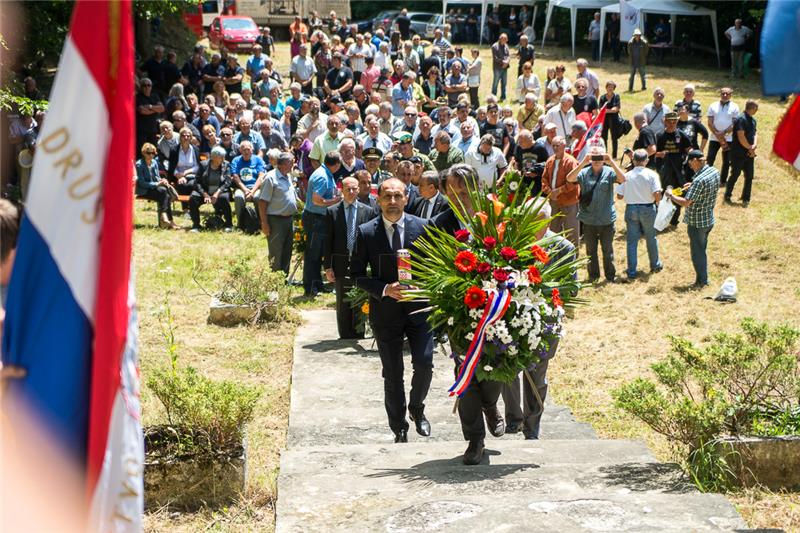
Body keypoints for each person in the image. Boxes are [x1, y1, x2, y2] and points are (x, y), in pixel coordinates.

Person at [430, 165, 506, 464]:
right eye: (453, 192)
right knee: (465, 373)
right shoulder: (439, 224)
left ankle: (491, 405)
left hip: (497, 310)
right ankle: (474, 439)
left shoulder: (496, 217)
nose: (460, 198)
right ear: (446, 192)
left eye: (465, 191)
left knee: (497, 365)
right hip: (459, 311)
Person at [350, 177, 434, 443]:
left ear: (406, 198)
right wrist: (385, 289)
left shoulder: (423, 228)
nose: (393, 202)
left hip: (418, 309)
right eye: (387, 197)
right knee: (393, 372)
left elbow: (436, 268)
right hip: (385, 312)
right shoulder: (366, 232)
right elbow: (356, 275)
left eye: (398, 196)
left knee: (424, 363)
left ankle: (417, 409)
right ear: (379, 200)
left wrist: (424, 285)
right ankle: (398, 426)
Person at [502, 197, 576, 438]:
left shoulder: (563, 248)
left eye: (538, 222)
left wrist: (545, 293)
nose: (532, 228)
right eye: (528, 222)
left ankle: (532, 426)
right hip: (511, 318)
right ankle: (514, 419)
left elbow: (571, 288)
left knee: (537, 374)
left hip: (545, 319)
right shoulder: (511, 244)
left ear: (548, 221)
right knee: (507, 370)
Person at [323, 176, 375, 339]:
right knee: (343, 300)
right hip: (340, 262)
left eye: (354, 188)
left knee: (360, 298)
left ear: (359, 190)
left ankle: (359, 332)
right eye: (348, 189)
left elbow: (372, 239)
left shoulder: (368, 211)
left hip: (361, 263)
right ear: (342, 191)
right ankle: (345, 334)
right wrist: (328, 266)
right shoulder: (332, 211)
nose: (351, 192)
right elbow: (327, 240)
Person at [567, 148, 626, 282]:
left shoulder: (609, 172)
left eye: (599, 157)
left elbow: (623, 179)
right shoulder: (584, 172)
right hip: (588, 220)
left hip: (606, 219)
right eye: (594, 157)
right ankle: (593, 276)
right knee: (590, 251)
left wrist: (611, 161)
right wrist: (583, 162)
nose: (597, 161)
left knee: (607, 250)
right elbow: (570, 178)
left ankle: (610, 276)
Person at [665, 150, 720, 289]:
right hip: (708, 219)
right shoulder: (713, 171)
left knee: (697, 252)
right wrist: (692, 186)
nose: (689, 166)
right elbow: (706, 187)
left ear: (696, 160)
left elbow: (685, 202)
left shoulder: (699, 181)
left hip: (697, 223)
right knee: (702, 248)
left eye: (690, 162)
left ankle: (702, 281)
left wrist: (670, 195)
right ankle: (703, 277)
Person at [616, 149, 663, 279]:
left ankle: (631, 270)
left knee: (631, 241)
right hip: (648, 208)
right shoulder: (652, 175)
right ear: (646, 161)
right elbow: (657, 193)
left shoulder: (627, 175)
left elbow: (619, 196)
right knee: (651, 238)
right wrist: (658, 203)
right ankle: (655, 264)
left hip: (631, 208)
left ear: (634, 160)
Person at [304, 152, 342, 297]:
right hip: (315, 219)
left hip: (320, 219)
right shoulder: (322, 176)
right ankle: (310, 287)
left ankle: (318, 284)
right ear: (337, 164)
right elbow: (317, 200)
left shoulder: (325, 173)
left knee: (318, 253)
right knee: (313, 255)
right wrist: (336, 201)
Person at [257, 152, 299, 275]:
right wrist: (264, 223)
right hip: (276, 220)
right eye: (291, 162)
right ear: (283, 164)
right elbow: (262, 202)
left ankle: (284, 278)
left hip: (288, 219)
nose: (293, 165)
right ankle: (275, 280)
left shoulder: (288, 176)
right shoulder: (270, 178)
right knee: (276, 251)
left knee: (287, 249)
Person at [541, 136, 580, 248]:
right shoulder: (550, 160)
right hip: (553, 201)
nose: (555, 148)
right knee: (553, 232)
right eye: (553, 145)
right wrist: (549, 191)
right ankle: (554, 260)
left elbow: (574, 182)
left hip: (569, 202)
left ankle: (572, 262)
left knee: (571, 233)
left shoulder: (571, 161)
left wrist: (559, 190)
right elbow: (544, 179)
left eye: (557, 145)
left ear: (564, 146)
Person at [655, 112, 692, 226]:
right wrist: (660, 154)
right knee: (664, 193)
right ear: (664, 121)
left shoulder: (681, 135)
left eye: (674, 121)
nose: (672, 124)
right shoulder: (659, 135)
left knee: (678, 192)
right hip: (664, 171)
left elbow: (689, 149)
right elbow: (653, 152)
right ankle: (662, 218)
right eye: (669, 121)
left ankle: (674, 219)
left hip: (678, 171)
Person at [189, 146, 233, 232]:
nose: (223, 159)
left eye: (224, 156)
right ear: (213, 157)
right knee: (193, 198)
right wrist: (204, 194)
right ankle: (196, 225)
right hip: (205, 191)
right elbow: (197, 182)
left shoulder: (226, 165)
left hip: (219, 191)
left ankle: (229, 224)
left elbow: (227, 182)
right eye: (221, 157)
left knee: (224, 198)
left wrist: (217, 194)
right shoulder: (203, 164)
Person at [136, 143, 178, 229]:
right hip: (143, 190)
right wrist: (157, 184)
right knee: (164, 193)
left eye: (153, 153)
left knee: (165, 194)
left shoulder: (154, 162)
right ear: (144, 153)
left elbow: (157, 177)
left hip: (154, 188)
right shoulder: (139, 164)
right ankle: (168, 220)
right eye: (148, 153)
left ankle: (166, 219)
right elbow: (141, 183)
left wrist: (162, 180)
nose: (151, 155)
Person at [725, 99, 758, 207]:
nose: (757, 110)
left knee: (749, 176)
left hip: (749, 153)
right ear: (752, 108)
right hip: (738, 153)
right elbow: (740, 136)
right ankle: (727, 195)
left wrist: (754, 146)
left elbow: (755, 133)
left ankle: (746, 197)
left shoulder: (753, 120)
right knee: (735, 174)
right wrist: (750, 148)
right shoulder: (741, 119)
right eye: (756, 108)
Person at [707, 87, 740, 188]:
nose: (725, 95)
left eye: (727, 94)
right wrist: (716, 133)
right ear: (720, 94)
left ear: (730, 95)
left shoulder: (735, 107)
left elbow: (735, 123)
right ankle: (707, 179)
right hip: (714, 137)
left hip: (728, 138)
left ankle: (722, 181)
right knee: (710, 158)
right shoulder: (713, 105)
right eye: (723, 93)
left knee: (726, 161)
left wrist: (724, 133)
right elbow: (709, 122)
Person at [230, 140, 267, 229]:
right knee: (238, 197)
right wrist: (245, 190)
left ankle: (260, 222)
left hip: (256, 187)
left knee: (258, 197)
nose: (246, 151)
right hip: (241, 187)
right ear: (240, 151)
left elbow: (261, 176)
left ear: (252, 150)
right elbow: (235, 177)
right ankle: (240, 223)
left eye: (248, 149)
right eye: (243, 149)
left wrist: (253, 191)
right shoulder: (236, 160)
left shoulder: (258, 159)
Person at [135, 78, 164, 151]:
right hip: (141, 131)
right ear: (141, 87)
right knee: (141, 151)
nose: (147, 87)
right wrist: (155, 110)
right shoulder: (137, 97)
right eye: (144, 85)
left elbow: (162, 108)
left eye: (149, 85)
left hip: (153, 130)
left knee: (153, 150)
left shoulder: (155, 96)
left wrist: (150, 107)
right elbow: (142, 111)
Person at [599, 81, 621, 158]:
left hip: (614, 120)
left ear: (614, 88)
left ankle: (614, 156)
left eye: (612, 87)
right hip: (604, 120)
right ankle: (604, 154)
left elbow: (616, 109)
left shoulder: (616, 96)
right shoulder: (602, 97)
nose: (610, 88)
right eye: (609, 87)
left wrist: (607, 110)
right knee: (604, 137)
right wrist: (611, 110)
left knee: (614, 138)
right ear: (606, 87)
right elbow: (600, 110)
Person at [491, 34, 511, 102]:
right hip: (497, 68)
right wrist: (503, 62)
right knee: (495, 83)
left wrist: (507, 62)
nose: (505, 41)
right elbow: (495, 58)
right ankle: (493, 97)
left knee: (504, 83)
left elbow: (508, 55)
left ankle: (503, 97)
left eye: (506, 39)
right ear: (500, 39)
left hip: (505, 68)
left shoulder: (506, 46)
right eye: (504, 39)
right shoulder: (494, 46)